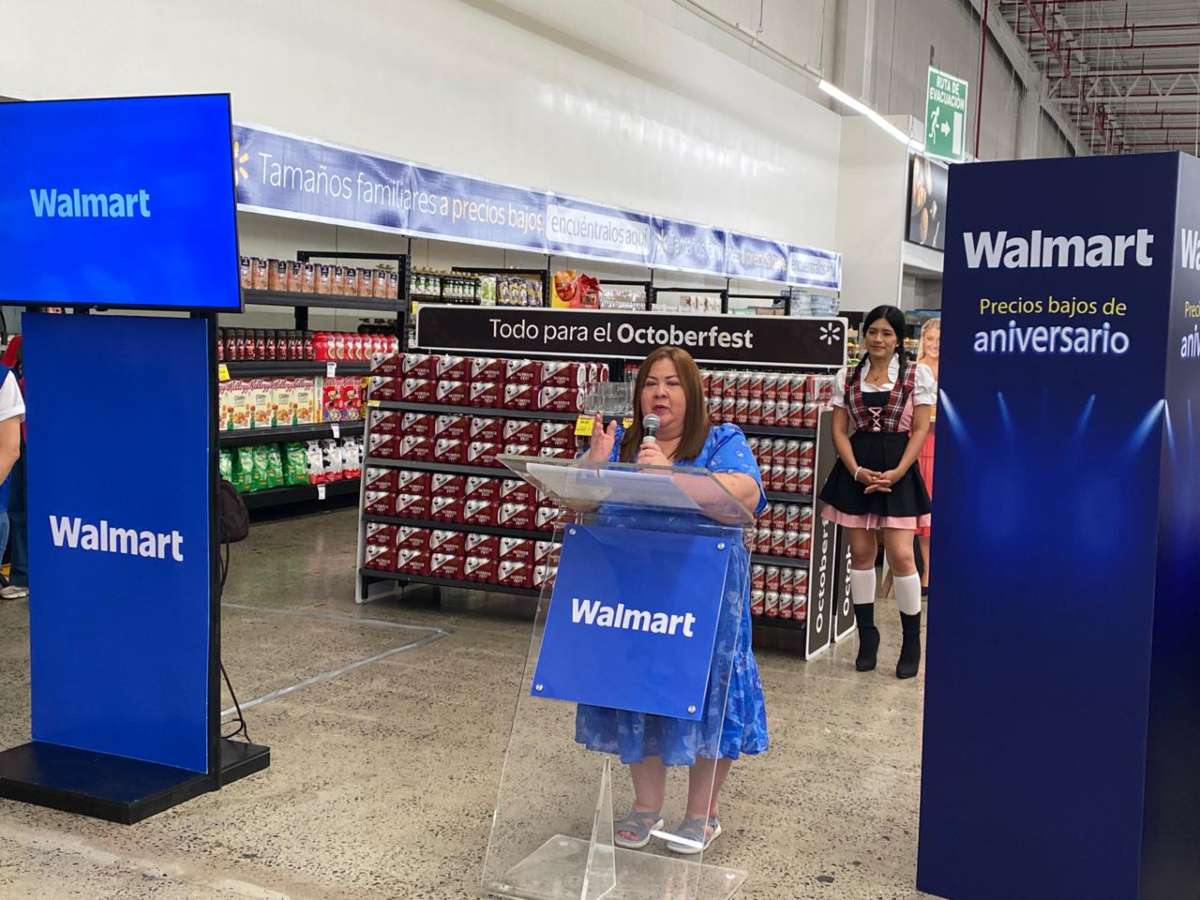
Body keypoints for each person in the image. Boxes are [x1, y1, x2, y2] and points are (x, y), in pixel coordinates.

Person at [575, 346, 768, 854]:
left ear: (694, 391)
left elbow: (744, 496)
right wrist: (592, 470)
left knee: (706, 695)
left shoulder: (722, 440)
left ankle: (701, 815)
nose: (660, 393)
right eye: (651, 383)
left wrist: (668, 475)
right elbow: (574, 501)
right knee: (641, 692)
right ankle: (645, 806)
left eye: (673, 383)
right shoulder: (620, 444)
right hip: (635, 600)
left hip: (703, 601)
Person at [818, 305, 933, 679]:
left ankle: (911, 641)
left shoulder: (918, 375)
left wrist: (900, 471)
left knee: (901, 555)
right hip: (858, 468)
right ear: (863, 336)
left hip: (898, 466)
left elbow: (919, 429)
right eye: (873, 332)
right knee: (861, 552)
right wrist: (856, 470)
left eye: (886, 333)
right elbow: (838, 430)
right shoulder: (847, 377)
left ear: (898, 338)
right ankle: (868, 636)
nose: (878, 339)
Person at [914, 318, 940, 598]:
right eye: (930, 340)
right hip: (920, 444)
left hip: (942, 443)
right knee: (922, 513)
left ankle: (933, 571)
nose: (934, 346)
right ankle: (925, 572)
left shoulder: (955, 367)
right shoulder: (916, 370)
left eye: (938, 341)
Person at [1, 336, 26, 600]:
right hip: (20, 431)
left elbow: (9, 450)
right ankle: (22, 576)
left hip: (38, 437)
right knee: (18, 508)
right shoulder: (19, 342)